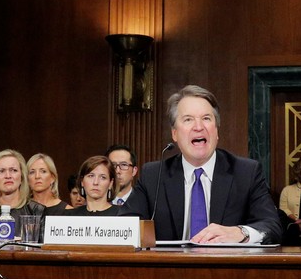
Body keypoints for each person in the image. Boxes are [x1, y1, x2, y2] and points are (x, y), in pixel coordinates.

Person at [121, 85, 282, 243]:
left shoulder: (246, 172)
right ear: (175, 134)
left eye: (206, 118)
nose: (199, 127)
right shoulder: (154, 175)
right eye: (188, 119)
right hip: (170, 268)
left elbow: (272, 227)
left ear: (216, 131)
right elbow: (124, 226)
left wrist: (241, 232)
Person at [0, 149, 44, 239]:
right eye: (1, 171)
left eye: (13, 170)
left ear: (22, 176)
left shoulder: (37, 211)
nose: (8, 176)